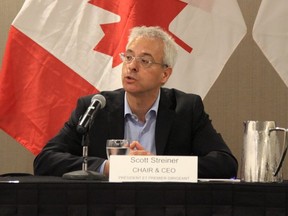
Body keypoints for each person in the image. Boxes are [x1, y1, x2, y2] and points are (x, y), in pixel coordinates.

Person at [34, 26, 238, 179]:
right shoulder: (95, 107)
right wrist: (107, 167)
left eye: (144, 61)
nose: (131, 66)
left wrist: (155, 166)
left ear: (165, 74)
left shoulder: (186, 109)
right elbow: (45, 160)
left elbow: (225, 163)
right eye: (128, 57)